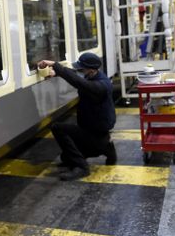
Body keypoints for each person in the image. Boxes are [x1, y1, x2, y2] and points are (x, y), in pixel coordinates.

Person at [37, 52, 117, 181]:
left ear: (90, 70)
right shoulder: (93, 76)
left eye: (82, 68)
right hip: (93, 129)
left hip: (94, 130)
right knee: (66, 157)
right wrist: (55, 73)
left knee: (57, 128)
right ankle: (107, 148)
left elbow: (78, 82)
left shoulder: (101, 85)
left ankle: (82, 168)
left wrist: (55, 65)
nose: (80, 70)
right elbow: (76, 75)